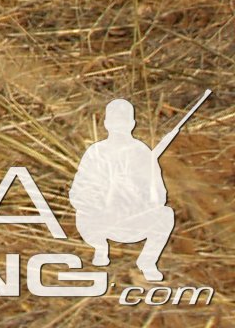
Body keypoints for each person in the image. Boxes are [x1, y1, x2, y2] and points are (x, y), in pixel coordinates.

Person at [71, 100, 175, 282]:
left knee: (165, 215)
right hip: (102, 220)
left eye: (123, 122)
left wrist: (136, 191)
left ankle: (148, 261)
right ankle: (100, 248)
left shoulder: (142, 153)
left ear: (132, 124)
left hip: (134, 221)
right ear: (106, 124)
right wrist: (103, 194)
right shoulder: (96, 153)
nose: (119, 127)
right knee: (82, 214)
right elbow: (77, 194)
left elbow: (159, 197)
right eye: (115, 122)